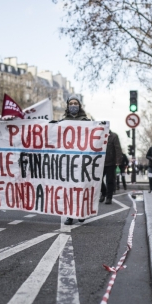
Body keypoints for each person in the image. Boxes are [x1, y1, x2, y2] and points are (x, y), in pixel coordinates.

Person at [58, 95, 90, 225]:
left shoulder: (87, 121)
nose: (73, 105)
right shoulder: (63, 121)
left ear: (79, 105)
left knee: (81, 187)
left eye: (75, 103)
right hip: (68, 160)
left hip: (82, 160)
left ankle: (81, 212)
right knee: (69, 189)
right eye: (71, 103)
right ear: (67, 106)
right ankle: (70, 215)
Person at [100, 130, 123, 205]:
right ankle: (103, 192)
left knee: (110, 181)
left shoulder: (114, 136)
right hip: (100, 162)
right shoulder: (99, 135)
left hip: (111, 163)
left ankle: (109, 197)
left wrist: (118, 161)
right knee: (98, 180)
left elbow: (118, 149)